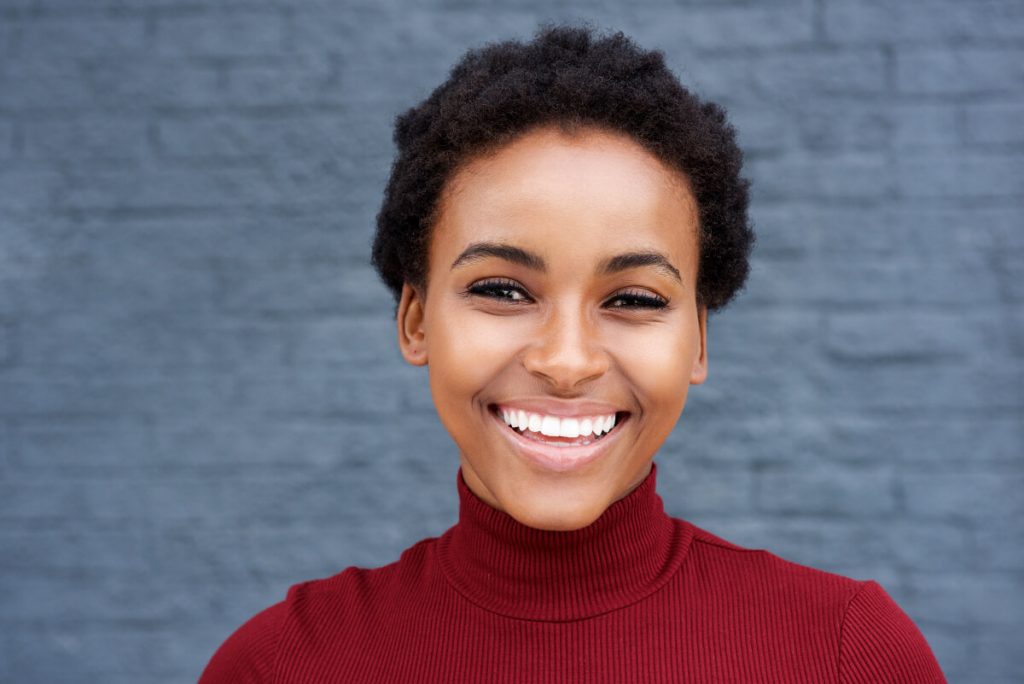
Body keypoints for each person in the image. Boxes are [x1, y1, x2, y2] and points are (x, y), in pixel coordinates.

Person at [198, 21, 948, 683]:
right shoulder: (283, 666)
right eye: (502, 289)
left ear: (698, 340)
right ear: (417, 320)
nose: (566, 361)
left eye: (634, 299)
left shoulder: (847, 655)